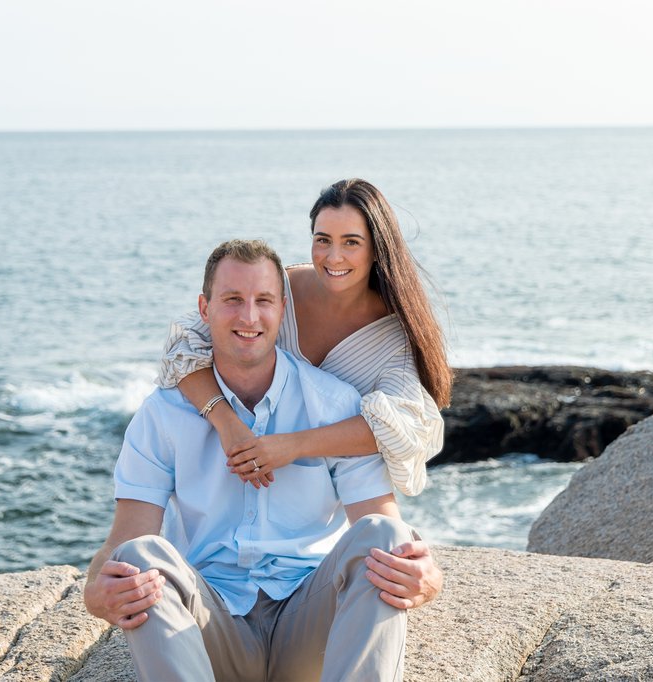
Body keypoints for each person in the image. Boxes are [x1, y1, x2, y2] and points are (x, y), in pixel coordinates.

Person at [84, 240, 442, 682]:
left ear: (282, 308)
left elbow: (381, 526)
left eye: (263, 301)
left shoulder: (333, 405)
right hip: (209, 628)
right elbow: (123, 540)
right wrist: (96, 592)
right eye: (232, 300)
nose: (249, 317)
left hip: (309, 628)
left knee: (386, 536)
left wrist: (426, 574)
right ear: (204, 308)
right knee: (138, 556)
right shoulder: (162, 414)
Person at [159, 178, 451, 499]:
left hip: (319, 498)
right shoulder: (273, 293)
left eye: (351, 242)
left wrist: (292, 446)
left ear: (377, 249)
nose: (333, 257)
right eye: (323, 240)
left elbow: (405, 429)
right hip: (231, 470)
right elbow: (183, 346)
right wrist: (227, 424)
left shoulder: (393, 338)